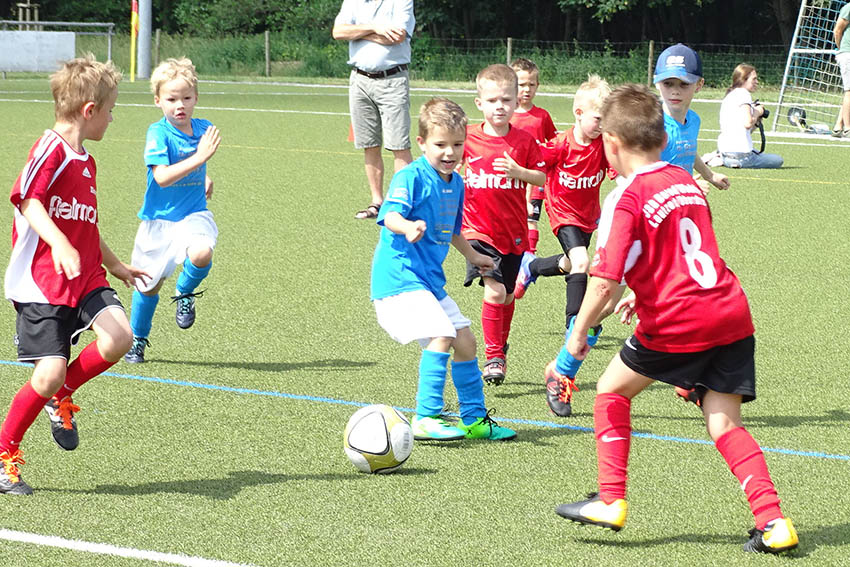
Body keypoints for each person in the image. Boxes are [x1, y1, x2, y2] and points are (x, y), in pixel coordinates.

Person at [554, 83, 799, 555]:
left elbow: (603, 283)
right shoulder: (688, 181)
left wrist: (575, 339)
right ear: (664, 140)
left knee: (609, 392)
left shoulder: (624, 199)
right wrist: (644, 295)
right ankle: (774, 523)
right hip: (729, 310)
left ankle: (610, 500)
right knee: (724, 423)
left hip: (680, 319)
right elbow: (684, 255)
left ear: (610, 143)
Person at [0, 55, 148, 495]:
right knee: (46, 375)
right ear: (90, 110)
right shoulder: (51, 149)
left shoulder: (87, 161)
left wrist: (115, 263)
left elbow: (86, 224)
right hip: (43, 280)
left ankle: (62, 396)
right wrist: (60, 243)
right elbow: (27, 200)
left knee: (120, 337)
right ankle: (5, 449)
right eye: (111, 109)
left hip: (85, 277)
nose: (112, 117)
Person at [371, 97, 516, 442]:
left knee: (465, 341)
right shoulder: (410, 176)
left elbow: (450, 231)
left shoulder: (456, 183)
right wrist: (406, 227)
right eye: (440, 145)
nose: (450, 152)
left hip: (428, 282)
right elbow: (389, 215)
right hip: (399, 279)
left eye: (457, 144)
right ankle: (426, 416)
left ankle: (474, 420)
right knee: (442, 334)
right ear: (421, 143)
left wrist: (474, 256)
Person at [511, 75, 612, 417]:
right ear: (578, 112)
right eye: (598, 119)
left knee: (572, 264)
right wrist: (514, 167)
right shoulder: (560, 145)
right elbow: (534, 165)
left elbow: (622, 173)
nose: (602, 126)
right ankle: (573, 326)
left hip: (589, 218)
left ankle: (534, 267)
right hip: (563, 214)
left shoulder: (604, 146)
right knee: (581, 262)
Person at [123, 57, 222, 364]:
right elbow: (163, 177)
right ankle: (137, 339)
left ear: (196, 98)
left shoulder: (204, 129)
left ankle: (184, 292)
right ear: (158, 101)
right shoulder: (157, 133)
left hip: (193, 214)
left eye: (187, 98)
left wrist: (202, 176)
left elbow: (196, 161)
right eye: (171, 99)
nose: (180, 105)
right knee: (148, 286)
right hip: (158, 221)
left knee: (202, 252)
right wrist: (199, 161)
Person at [462, 64, 546, 385]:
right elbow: (448, 162)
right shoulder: (467, 138)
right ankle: (494, 355)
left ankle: (500, 344)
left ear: (515, 103)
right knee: (495, 292)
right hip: (477, 232)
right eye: (493, 100)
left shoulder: (524, 141)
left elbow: (541, 176)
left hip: (513, 233)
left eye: (507, 100)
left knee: (509, 295)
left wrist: (518, 172)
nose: (501, 106)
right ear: (479, 102)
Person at [332, 0, 415, 219]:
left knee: (399, 145)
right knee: (369, 144)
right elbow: (338, 32)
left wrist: (357, 32)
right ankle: (377, 202)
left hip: (393, 79)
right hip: (359, 80)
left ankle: (401, 204)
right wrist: (375, 28)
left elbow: (397, 36)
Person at [509, 58, 558, 254]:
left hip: (534, 179)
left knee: (531, 218)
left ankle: (528, 259)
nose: (527, 89)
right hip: (511, 178)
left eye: (531, 84)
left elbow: (554, 143)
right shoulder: (507, 115)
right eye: (522, 85)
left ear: (537, 85)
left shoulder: (542, 116)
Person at [717, 64, 783, 168]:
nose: (757, 82)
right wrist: (758, 112)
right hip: (742, 157)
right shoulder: (744, 94)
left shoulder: (730, 95)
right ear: (743, 79)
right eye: (754, 79)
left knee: (758, 153)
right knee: (778, 160)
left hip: (726, 155)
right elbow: (747, 123)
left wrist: (757, 121)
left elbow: (745, 131)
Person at [833, 4, 850, 137]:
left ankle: (838, 125)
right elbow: (838, 30)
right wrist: (841, 49)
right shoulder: (848, 8)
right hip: (848, 54)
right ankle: (848, 128)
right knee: (849, 91)